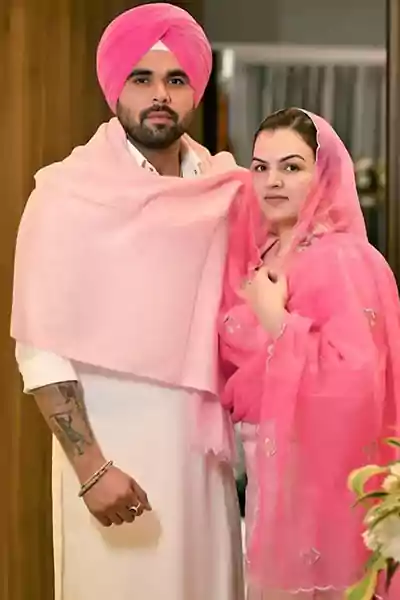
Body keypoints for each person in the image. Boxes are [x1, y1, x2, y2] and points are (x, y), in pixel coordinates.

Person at [11, 4, 245, 599]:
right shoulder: (66, 193)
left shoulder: (226, 190)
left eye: (175, 79)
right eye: (142, 78)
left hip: (204, 460)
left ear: (195, 90)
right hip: (113, 454)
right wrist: (91, 468)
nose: (159, 94)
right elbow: (38, 348)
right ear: (116, 87)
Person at [219, 108, 400, 599]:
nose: (272, 181)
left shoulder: (343, 258)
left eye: (292, 167)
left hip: (320, 480)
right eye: (261, 167)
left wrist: (277, 321)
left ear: (323, 175)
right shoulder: (259, 255)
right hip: (264, 474)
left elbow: (357, 383)